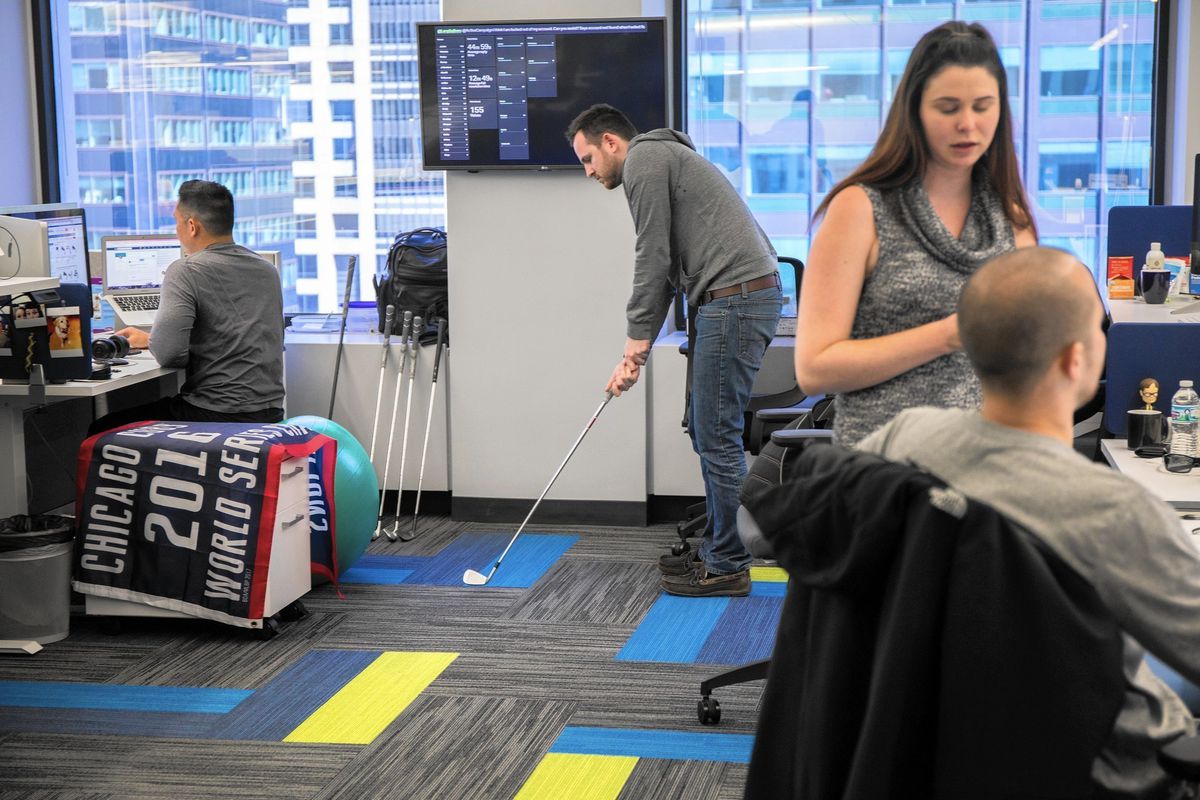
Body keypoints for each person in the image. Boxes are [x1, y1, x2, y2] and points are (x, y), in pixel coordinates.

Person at [859, 246, 1200, 798]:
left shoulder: (901, 438)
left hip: (929, 746)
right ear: (1076, 360)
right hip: (1107, 772)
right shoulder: (1113, 509)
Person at [565, 103, 782, 597]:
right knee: (707, 432)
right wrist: (636, 351)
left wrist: (634, 344)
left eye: (588, 159)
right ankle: (717, 548)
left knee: (718, 435)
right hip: (728, 301)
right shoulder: (662, 160)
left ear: (611, 142)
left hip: (736, 300)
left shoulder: (644, 161)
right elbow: (665, 267)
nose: (588, 172)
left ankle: (727, 564)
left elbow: (652, 254)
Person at [794, 21, 1038, 447]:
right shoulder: (861, 209)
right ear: (914, 110)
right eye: (948, 107)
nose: (968, 124)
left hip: (982, 466)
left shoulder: (1011, 219)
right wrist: (946, 336)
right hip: (885, 473)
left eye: (983, 106)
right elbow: (815, 368)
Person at [88, 180, 284, 435]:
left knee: (102, 429)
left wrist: (159, 342)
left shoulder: (186, 270)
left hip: (216, 414)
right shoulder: (266, 270)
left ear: (192, 226)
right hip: (268, 412)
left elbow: (170, 355)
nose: (177, 230)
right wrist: (150, 339)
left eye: (177, 222)